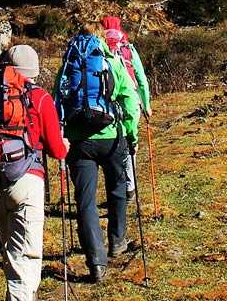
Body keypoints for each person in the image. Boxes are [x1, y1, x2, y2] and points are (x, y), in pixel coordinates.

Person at [0, 45, 69, 301]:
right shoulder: (39, 97)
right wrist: (64, 145)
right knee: (26, 256)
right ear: (34, 71)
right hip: (26, 181)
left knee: (11, 249)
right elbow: (57, 150)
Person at [56, 25, 140, 282]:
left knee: (85, 201)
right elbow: (128, 96)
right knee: (117, 189)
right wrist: (131, 134)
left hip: (79, 142)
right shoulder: (110, 61)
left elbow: (58, 101)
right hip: (111, 136)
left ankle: (96, 263)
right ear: (100, 39)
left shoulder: (68, 64)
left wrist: (62, 137)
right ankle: (117, 241)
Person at [101, 16, 151, 202]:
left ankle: (116, 188)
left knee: (114, 144)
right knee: (130, 143)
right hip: (131, 101)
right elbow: (141, 78)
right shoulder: (128, 48)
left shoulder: (99, 47)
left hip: (107, 104)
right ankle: (129, 187)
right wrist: (146, 104)